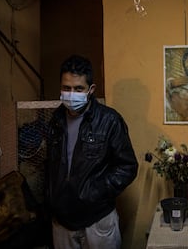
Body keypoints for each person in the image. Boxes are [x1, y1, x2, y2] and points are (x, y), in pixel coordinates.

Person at [45, 55, 139, 249]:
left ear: (91, 90)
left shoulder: (109, 120)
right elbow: (51, 166)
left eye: (78, 89)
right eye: (66, 88)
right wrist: (51, 199)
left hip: (98, 221)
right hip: (62, 222)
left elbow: (127, 166)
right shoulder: (55, 121)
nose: (71, 94)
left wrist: (95, 192)